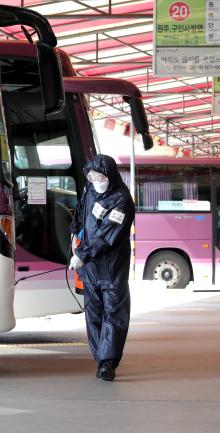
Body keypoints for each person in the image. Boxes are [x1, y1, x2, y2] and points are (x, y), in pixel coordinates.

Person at [68, 155, 135, 381]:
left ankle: (109, 362)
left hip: (112, 268)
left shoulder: (122, 199)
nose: (96, 179)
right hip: (90, 268)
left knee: (114, 313)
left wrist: (82, 254)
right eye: (91, 176)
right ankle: (100, 359)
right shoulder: (89, 190)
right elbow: (80, 214)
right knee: (93, 315)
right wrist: (72, 233)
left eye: (100, 176)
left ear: (111, 175)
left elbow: (108, 235)